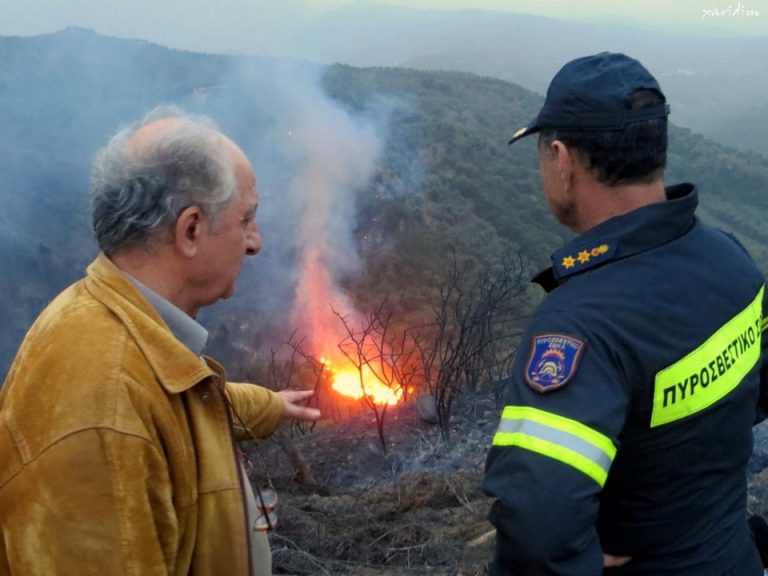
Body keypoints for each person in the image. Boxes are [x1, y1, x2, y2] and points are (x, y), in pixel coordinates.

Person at [0, 106, 321, 576]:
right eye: (246, 219)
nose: (256, 243)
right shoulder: (100, 415)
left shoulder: (118, 330)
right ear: (190, 229)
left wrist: (267, 406)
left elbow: (175, 404)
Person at [483, 52, 768, 575]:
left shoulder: (578, 328)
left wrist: (584, 558)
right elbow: (756, 389)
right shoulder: (730, 257)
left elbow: (537, 527)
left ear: (563, 159)